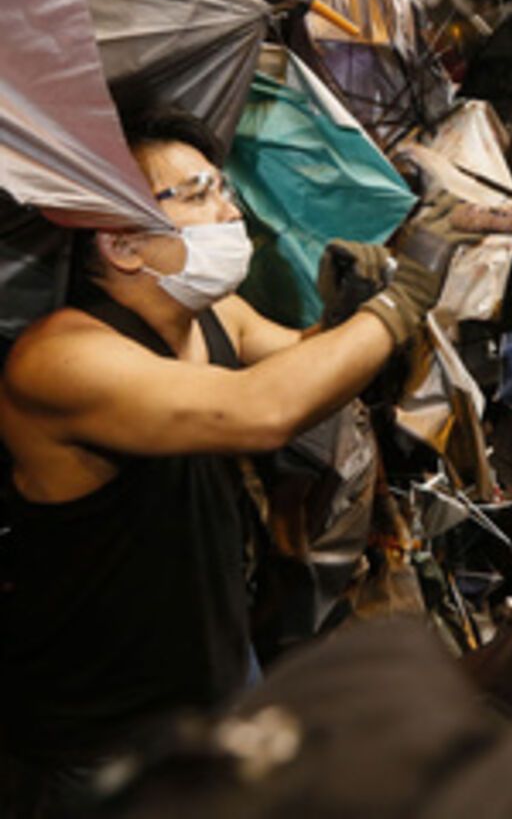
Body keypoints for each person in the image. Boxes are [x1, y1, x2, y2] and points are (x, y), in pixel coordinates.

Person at [0, 110, 455, 813]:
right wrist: (395, 305)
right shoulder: (59, 359)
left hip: (219, 677)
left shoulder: (216, 315)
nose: (229, 207)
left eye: (223, 187)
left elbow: (310, 372)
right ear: (121, 242)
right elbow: (260, 409)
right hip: (104, 739)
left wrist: (347, 316)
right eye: (201, 191)